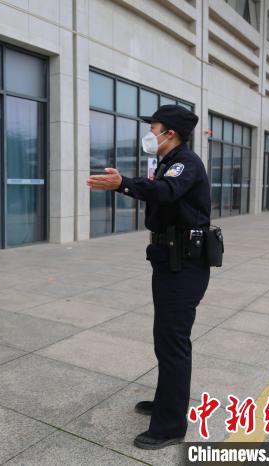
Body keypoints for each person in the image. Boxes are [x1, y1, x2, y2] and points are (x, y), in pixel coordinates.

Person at [87, 104, 210, 450]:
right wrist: (126, 183)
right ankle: (167, 403)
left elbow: (165, 193)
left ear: (169, 133)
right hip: (169, 260)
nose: (149, 133)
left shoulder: (186, 162)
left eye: (153, 127)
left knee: (173, 341)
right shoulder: (168, 163)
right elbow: (159, 192)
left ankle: (170, 426)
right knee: (165, 339)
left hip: (185, 265)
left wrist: (122, 184)